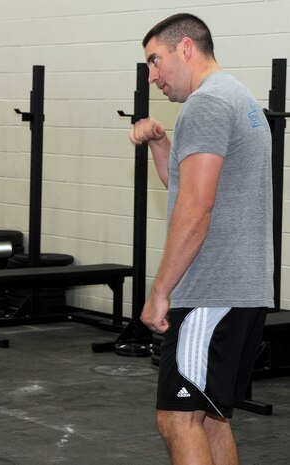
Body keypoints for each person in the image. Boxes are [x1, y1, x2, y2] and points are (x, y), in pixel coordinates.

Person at [129, 13, 273, 465]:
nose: (152, 76)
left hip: (210, 293)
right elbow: (194, 190)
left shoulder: (206, 105)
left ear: (186, 48)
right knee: (210, 418)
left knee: (177, 420)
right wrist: (160, 146)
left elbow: (196, 209)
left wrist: (160, 293)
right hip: (239, 291)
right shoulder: (239, 97)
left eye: (155, 61)